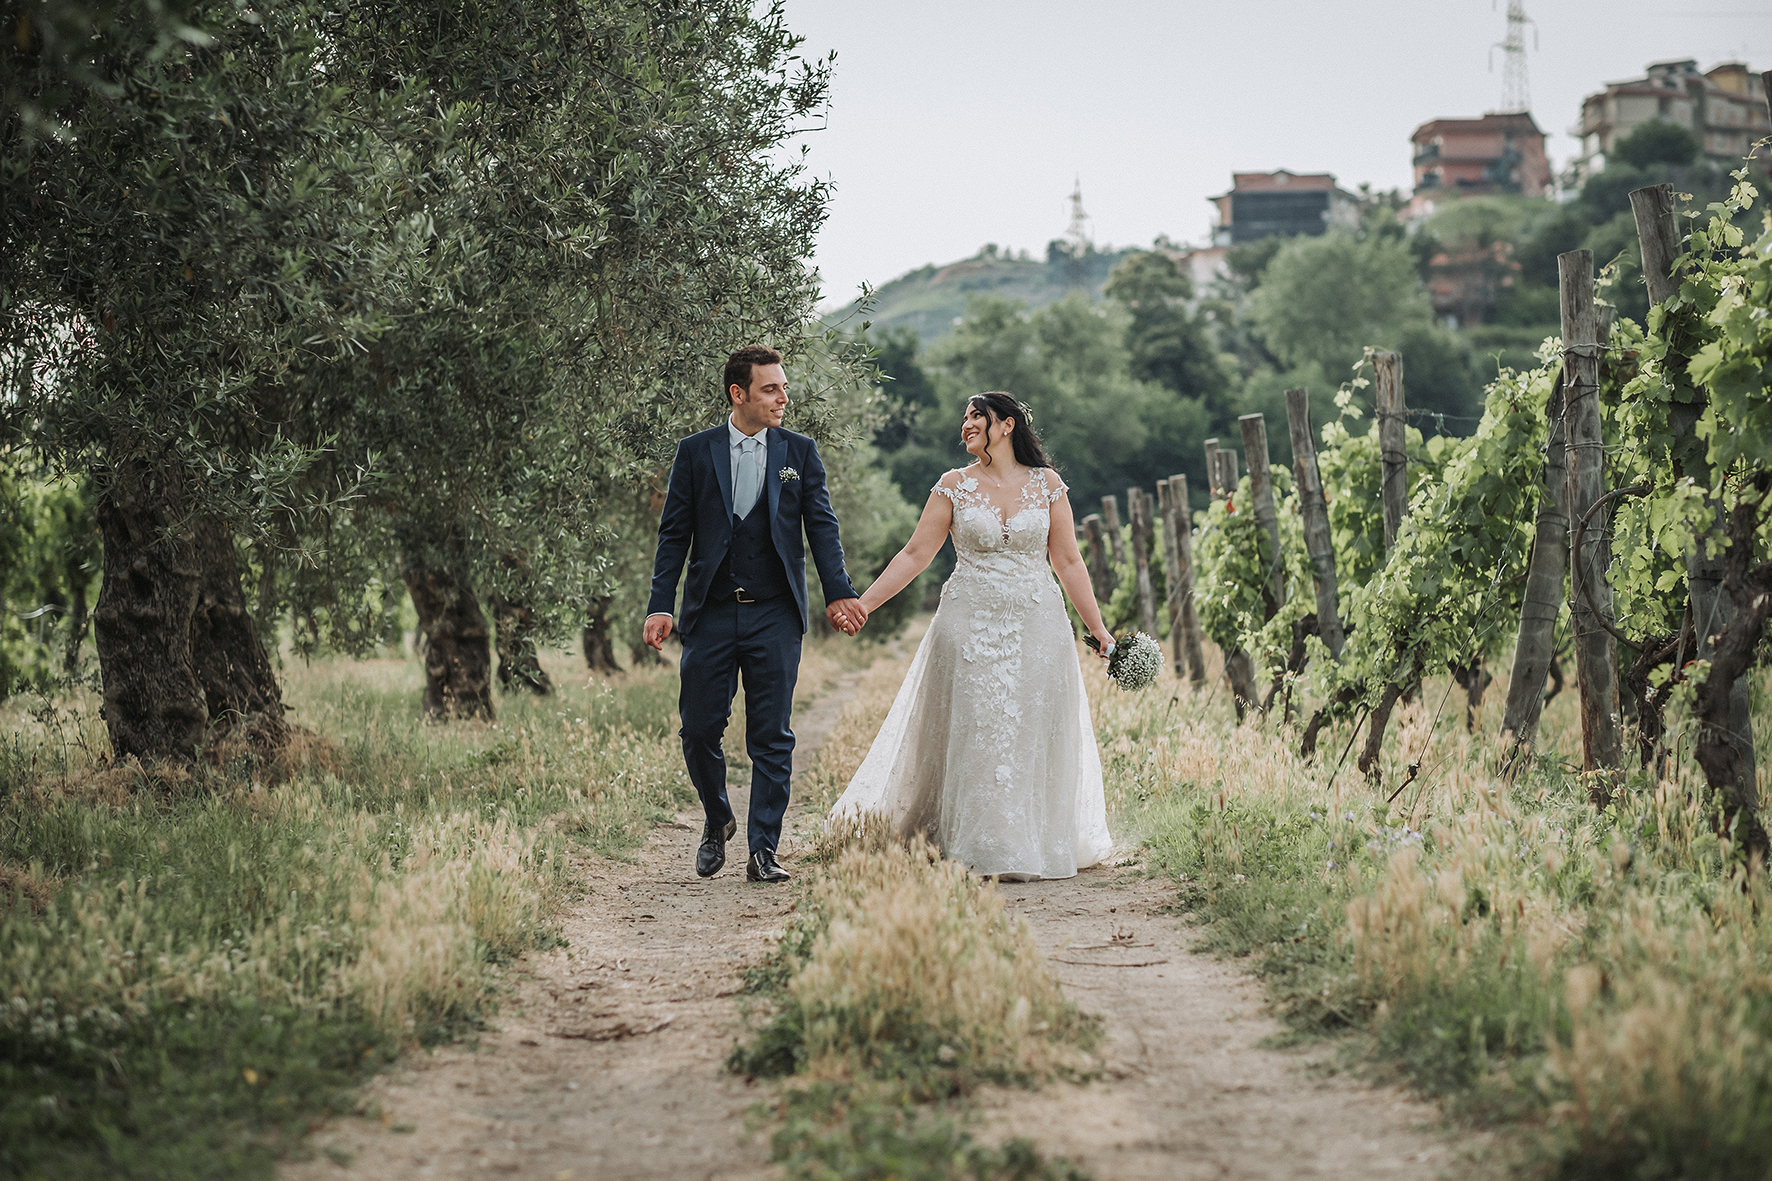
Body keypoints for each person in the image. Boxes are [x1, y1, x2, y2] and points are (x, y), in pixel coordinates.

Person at [830, 392, 1114, 880]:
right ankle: (978, 842)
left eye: (975, 417)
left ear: (1006, 425)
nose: (965, 425)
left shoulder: (1047, 485)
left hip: (1037, 623)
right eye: (964, 418)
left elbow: (1067, 560)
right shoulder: (953, 486)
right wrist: (865, 604)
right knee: (980, 725)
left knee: (1026, 729)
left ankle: (1026, 840)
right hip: (969, 622)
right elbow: (916, 554)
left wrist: (1098, 630)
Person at [643, 346, 867, 883]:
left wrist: (839, 592)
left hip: (775, 615)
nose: (783, 398)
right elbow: (674, 534)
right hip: (710, 613)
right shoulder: (696, 452)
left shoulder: (800, 452)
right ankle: (717, 818)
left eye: (784, 388)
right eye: (771, 389)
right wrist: (659, 604)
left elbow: (822, 528)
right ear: (737, 394)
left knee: (771, 736)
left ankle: (763, 850)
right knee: (698, 730)